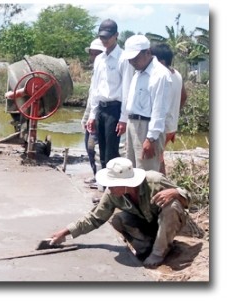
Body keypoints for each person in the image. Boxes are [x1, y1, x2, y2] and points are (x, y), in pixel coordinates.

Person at [49, 157, 189, 269]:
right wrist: (65, 232)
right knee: (118, 219)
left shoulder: (155, 180)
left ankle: (159, 253)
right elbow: (95, 218)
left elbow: (189, 198)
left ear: (127, 182)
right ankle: (148, 246)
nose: (109, 187)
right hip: (148, 224)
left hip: (170, 222)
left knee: (172, 205)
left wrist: (176, 192)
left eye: (113, 183)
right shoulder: (112, 193)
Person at [86, 19, 134, 170]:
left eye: (107, 37)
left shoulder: (123, 59)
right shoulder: (99, 59)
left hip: (115, 109)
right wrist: (92, 115)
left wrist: (123, 118)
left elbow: (127, 89)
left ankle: (114, 190)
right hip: (101, 108)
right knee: (101, 151)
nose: (104, 40)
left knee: (111, 153)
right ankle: (105, 186)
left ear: (116, 36)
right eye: (102, 37)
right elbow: (95, 88)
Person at [123, 35, 172, 171]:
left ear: (148, 52)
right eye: (130, 59)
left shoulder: (160, 75)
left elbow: (159, 110)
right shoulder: (138, 73)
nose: (132, 62)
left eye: (136, 58)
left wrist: (150, 139)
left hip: (147, 127)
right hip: (133, 124)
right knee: (131, 171)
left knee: (147, 174)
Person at [150, 43, 188, 175]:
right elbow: (184, 97)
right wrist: (175, 114)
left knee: (155, 159)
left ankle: (160, 188)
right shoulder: (177, 74)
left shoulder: (161, 75)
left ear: (160, 61)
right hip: (171, 126)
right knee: (159, 157)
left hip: (161, 126)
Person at [81, 38, 105, 187]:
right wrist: (86, 117)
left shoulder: (106, 72)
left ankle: (101, 178)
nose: (94, 57)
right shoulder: (95, 72)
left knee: (94, 147)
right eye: (92, 53)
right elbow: (91, 98)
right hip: (91, 115)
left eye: (97, 53)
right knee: (87, 145)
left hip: (100, 116)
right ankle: (96, 175)